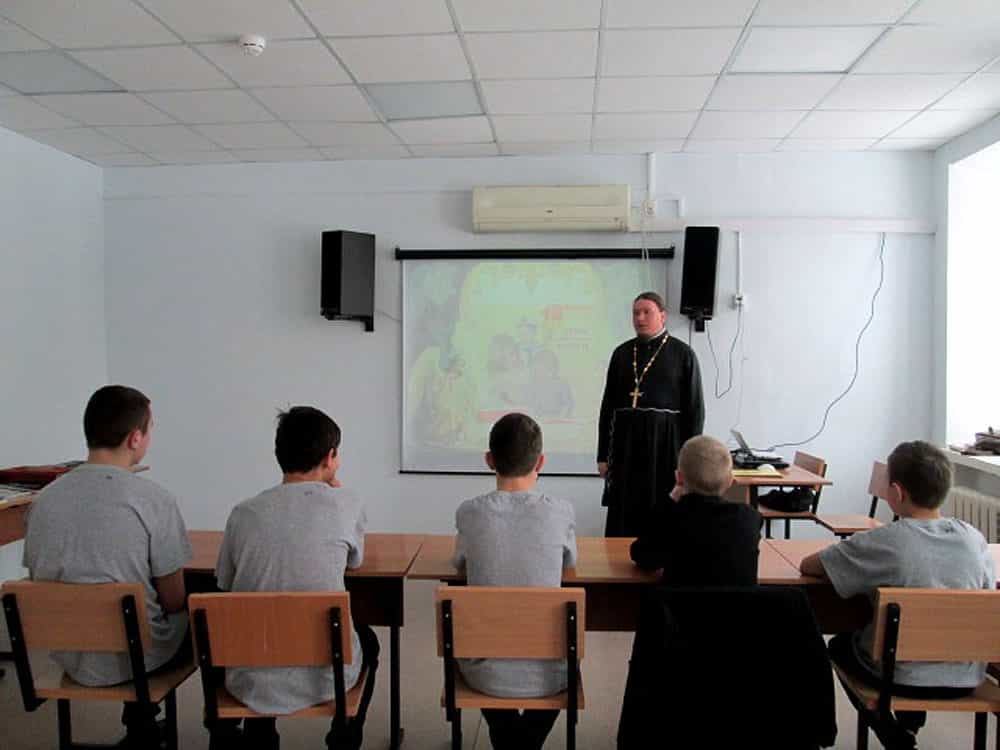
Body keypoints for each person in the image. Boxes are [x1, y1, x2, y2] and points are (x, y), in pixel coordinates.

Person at [22, 385, 192, 746]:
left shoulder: (42, 501)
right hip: (139, 658)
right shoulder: (153, 500)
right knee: (211, 620)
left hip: (69, 651)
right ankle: (222, 729)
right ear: (135, 438)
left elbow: (39, 576)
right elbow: (174, 598)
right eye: (149, 431)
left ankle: (142, 724)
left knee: (125, 614)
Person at [800, 441, 996, 748]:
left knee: (839, 645)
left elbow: (812, 566)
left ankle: (891, 734)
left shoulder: (888, 541)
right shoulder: (974, 539)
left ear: (897, 492)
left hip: (899, 678)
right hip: (966, 677)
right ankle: (909, 725)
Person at [214, 406, 378, 750]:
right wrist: (336, 489)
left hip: (250, 677)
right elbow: (356, 559)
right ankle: (343, 737)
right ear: (331, 457)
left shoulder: (243, 513)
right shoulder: (346, 504)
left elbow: (225, 585)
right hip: (324, 678)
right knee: (371, 642)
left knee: (254, 624)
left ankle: (259, 735)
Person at [453, 413, 577, 750]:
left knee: (470, 654)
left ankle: (511, 741)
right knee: (569, 664)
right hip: (551, 674)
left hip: (484, 672)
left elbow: (457, 563)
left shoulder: (469, 512)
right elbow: (571, 562)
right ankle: (525, 743)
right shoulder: (561, 511)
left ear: (489, 460)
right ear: (541, 462)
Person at [597, 291, 704, 536]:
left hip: (665, 447)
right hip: (625, 448)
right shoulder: (622, 354)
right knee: (623, 511)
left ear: (663, 316)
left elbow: (695, 411)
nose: (640, 318)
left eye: (647, 312)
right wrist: (603, 455)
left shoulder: (683, 354)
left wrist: (690, 463)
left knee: (661, 510)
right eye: (636, 313)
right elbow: (607, 407)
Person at [630, 435, 761, 585]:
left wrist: (671, 498)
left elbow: (641, 556)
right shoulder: (749, 518)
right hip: (736, 609)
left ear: (679, 478)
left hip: (679, 608)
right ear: (730, 480)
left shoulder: (672, 518)